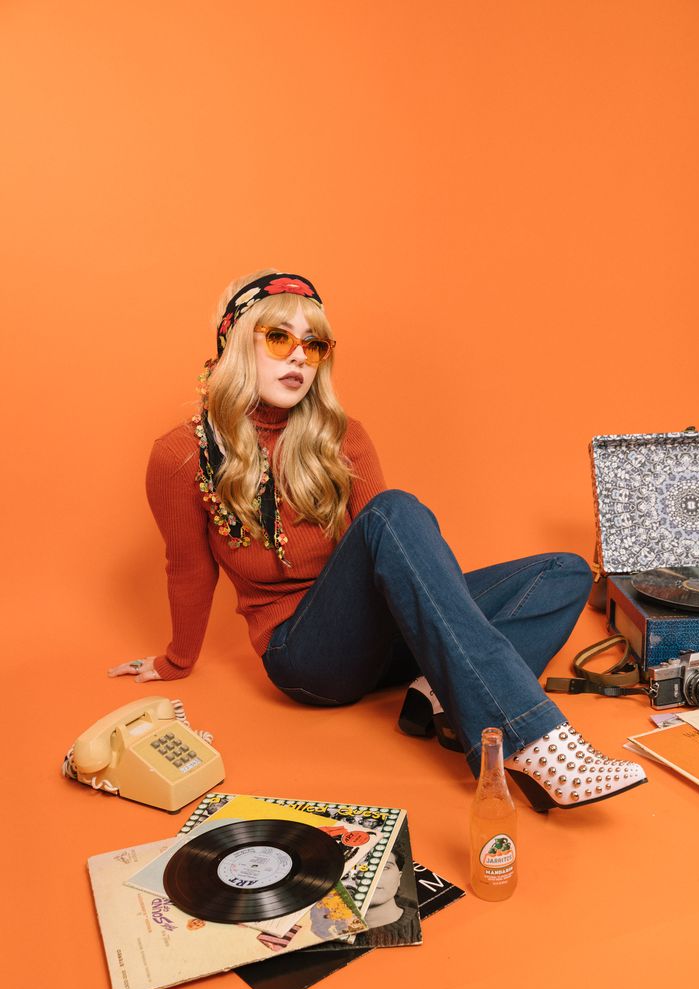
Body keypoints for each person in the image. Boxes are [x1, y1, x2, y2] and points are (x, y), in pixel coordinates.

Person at [109, 268, 647, 811]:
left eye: (313, 345)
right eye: (279, 338)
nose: (299, 356)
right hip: (307, 656)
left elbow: (391, 558)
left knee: (567, 571)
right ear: (233, 344)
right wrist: (177, 659)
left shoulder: (340, 436)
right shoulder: (183, 454)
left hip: (386, 641)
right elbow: (188, 567)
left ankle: (434, 693)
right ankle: (531, 740)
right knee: (394, 511)